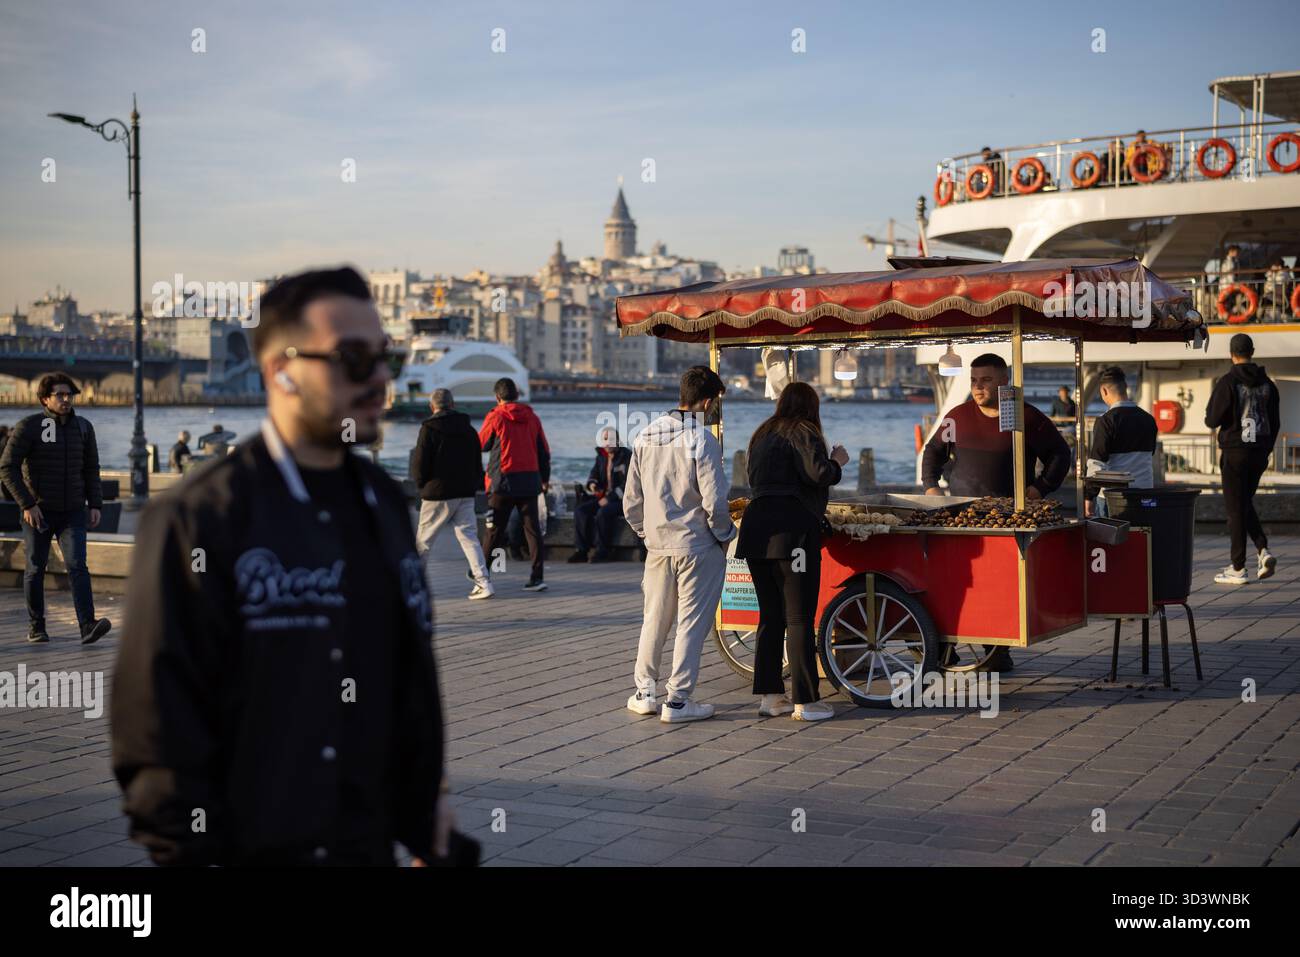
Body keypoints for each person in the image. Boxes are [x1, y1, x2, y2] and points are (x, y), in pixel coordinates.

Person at [112, 266, 451, 866]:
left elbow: (408, 687)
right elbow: (156, 726)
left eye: (386, 360)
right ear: (280, 370)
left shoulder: (384, 503)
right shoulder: (197, 520)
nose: (378, 380)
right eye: (352, 359)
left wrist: (426, 818)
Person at [922, 353, 1072, 670]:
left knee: (997, 588)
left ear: (1004, 381)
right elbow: (932, 452)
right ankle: (945, 649)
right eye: (974, 381)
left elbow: (1060, 454)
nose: (978, 387)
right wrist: (931, 487)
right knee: (952, 584)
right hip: (959, 516)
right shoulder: (957, 417)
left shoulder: (1026, 417)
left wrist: (1039, 489)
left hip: (1006, 518)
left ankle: (997, 652)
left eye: (986, 380)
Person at [623, 366, 735, 723]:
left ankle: (644, 693)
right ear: (706, 402)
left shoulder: (644, 436)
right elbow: (715, 503)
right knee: (691, 623)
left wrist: (647, 534)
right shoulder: (702, 440)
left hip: (657, 547)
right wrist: (724, 537)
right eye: (715, 403)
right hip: (697, 547)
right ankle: (678, 701)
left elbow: (631, 503)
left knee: (654, 620)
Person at [738, 382, 848, 722]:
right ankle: (806, 700)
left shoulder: (762, 432)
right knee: (799, 617)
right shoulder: (804, 430)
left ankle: (771, 697)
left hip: (757, 532)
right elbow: (818, 474)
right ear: (811, 407)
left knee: (770, 617)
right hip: (793, 534)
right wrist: (836, 462)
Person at [0, 372, 111, 645]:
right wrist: (27, 503)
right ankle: (37, 626)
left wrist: (95, 504)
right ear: (44, 399)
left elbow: (90, 469)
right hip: (38, 510)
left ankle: (87, 625)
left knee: (77, 566)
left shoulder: (83, 427)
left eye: (69, 394)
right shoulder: (29, 426)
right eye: (60, 394)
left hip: (73, 510)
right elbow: (7, 467)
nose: (66, 399)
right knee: (35, 568)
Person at [1205, 333, 1280, 585]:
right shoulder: (1268, 384)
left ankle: (1238, 567)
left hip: (1235, 453)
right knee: (1243, 504)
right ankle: (1263, 550)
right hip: (1259, 453)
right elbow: (1276, 421)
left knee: (1235, 509)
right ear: (1252, 351)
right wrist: (1266, 449)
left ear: (1231, 354)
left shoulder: (1228, 382)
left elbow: (1212, 420)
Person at [413, 388, 493, 600]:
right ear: (453, 404)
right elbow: (477, 463)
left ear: (432, 406)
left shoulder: (428, 429)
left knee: (424, 541)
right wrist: (474, 485)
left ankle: (412, 585)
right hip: (465, 493)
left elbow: (420, 463)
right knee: (469, 538)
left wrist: (421, 486)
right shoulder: (469, 429)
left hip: (437, 493)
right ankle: (483, 582)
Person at [479, 377, 551, 592]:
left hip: (503, 481)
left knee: (494, 529)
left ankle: (482, 575)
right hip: (530, 480)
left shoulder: (496, 416)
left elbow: (482, 444)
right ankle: (537, 578)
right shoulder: (532, 417)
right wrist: (544, 479)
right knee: (532, 530)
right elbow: (544, 451)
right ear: (517, 396)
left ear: (497, 397)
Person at [1084, 367, 1158, 517]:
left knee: (1110, 539)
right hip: (1144, 492)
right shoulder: (1149, 419)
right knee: (1141, 537)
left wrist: (1089, 496)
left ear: (1104, 391)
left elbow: (1097, 464)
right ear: (1125, 389)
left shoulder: (1106, 421)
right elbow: (1150, 454)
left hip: (1112, 497)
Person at [569, 427, 632, 563]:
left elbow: (628, 484)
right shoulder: (601, 457)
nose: (608, 443)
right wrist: (593, 485)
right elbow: (593, 476)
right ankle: (581, 551)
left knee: (603, 513)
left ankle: (602, 551)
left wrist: (610, 498)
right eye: (605, 439)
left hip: (623, 500)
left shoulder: (627, 456)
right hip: (603, 497)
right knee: (580, 510)